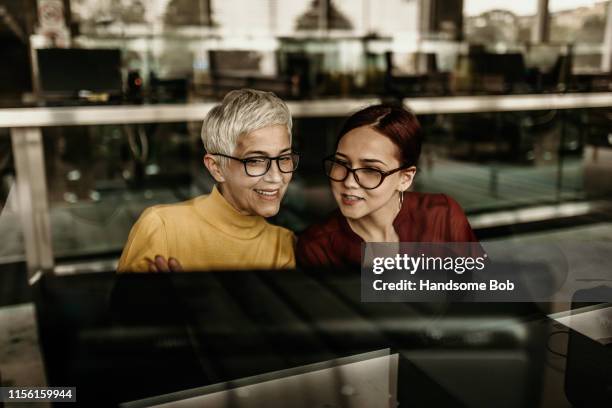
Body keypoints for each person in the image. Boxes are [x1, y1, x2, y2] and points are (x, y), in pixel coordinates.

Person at [118, 89, 299, 272]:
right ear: (216, 168)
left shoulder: (283, 245)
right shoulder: (162, 227)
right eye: (256, 161)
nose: (276, 177)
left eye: (284, 158)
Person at [296, 104, 478, 270]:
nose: (349, 182)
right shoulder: (317, 247)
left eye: (370, 169)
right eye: (341, 163)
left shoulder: (443, 214)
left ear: (405, 178)